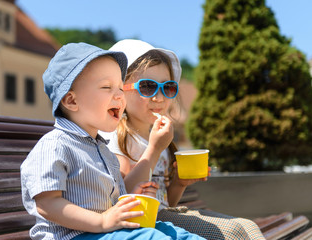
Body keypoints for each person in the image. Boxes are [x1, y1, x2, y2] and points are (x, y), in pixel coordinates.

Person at [20, 42, 206, 240]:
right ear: (71, 101)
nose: (119, 94)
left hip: (107, 232)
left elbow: (110, 204)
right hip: (74, 235)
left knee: (181, 236)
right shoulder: (54, 145)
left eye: (119, 86)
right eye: (107, 87)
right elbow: (46, 204)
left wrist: (130, 196)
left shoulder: (101, 149)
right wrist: (102, 222)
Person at [101, 39, 266, 240]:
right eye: (147, 87)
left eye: (168, 87)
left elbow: (166, 201)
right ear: (119, 90)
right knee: (233, 233)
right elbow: (123, 196)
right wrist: (153, 149)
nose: (159, 97)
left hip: (166, 215)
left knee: (247, 227)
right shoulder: (116, 137)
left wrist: (179, 183)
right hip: (146, 222)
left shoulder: (160, 138)